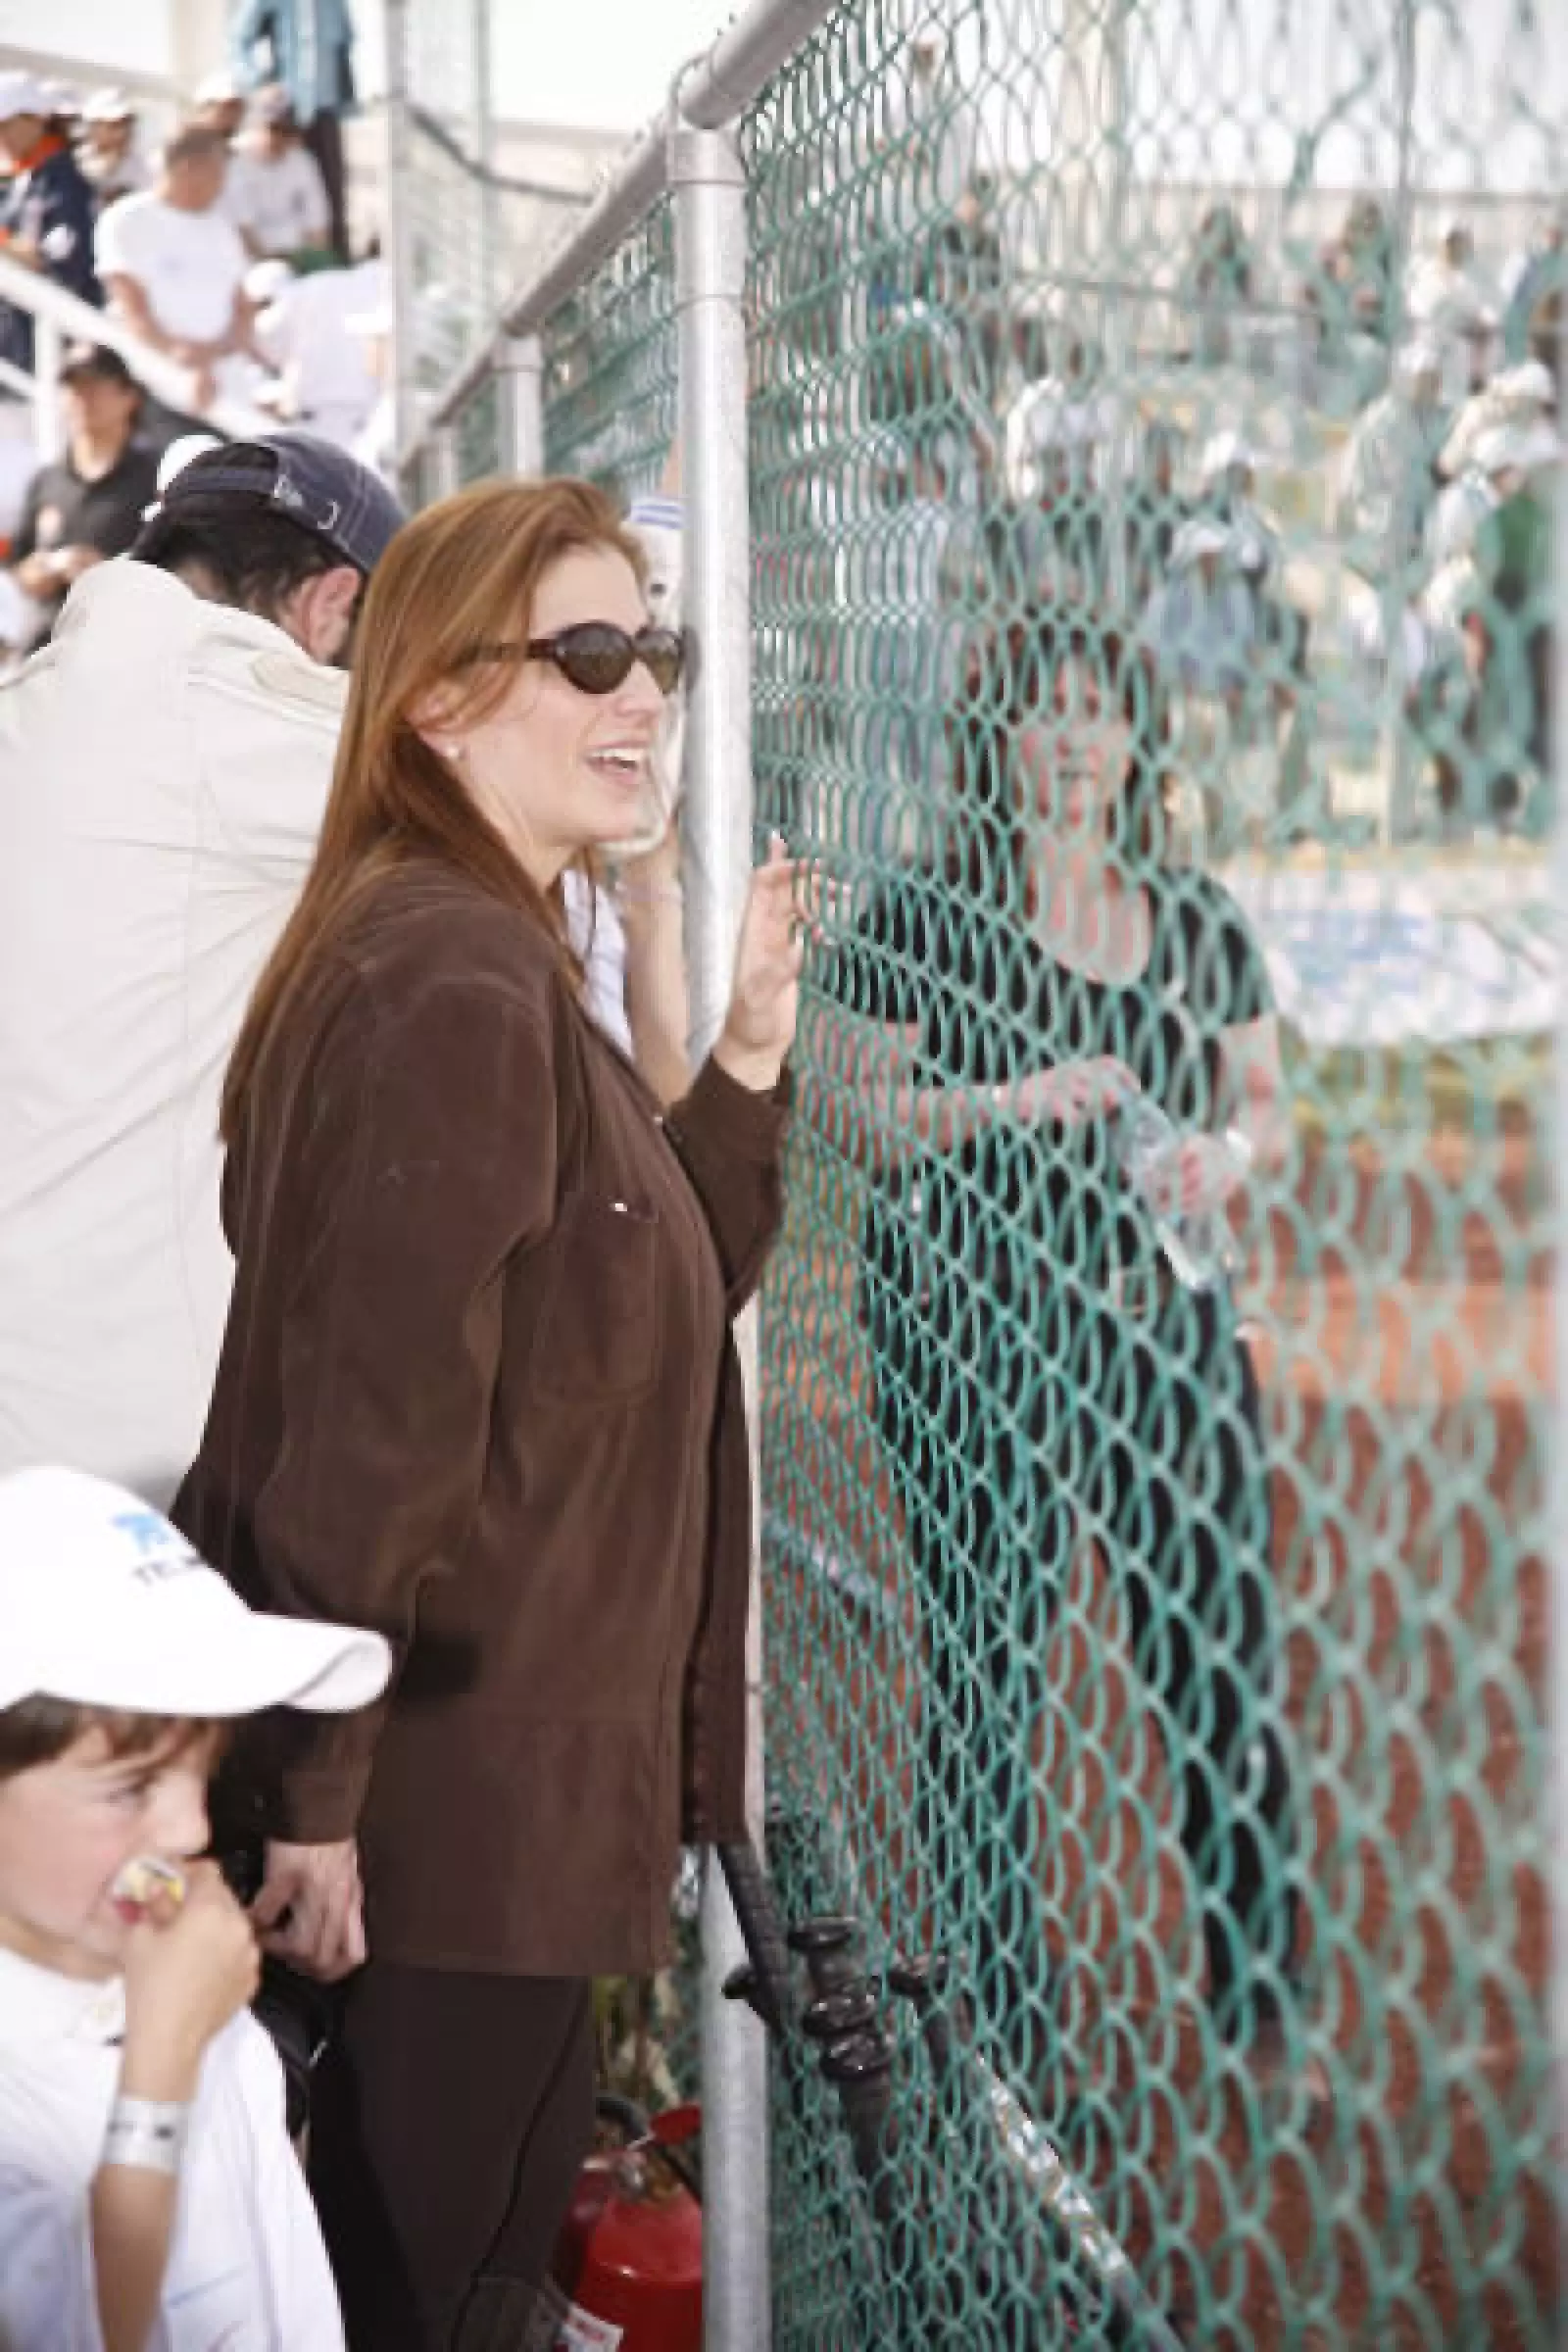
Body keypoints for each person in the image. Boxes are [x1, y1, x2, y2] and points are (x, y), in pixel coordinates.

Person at [172, 475, 801, 2350]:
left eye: (655, 653)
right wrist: (324, 1805)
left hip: (502, 1811)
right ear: (436, 696)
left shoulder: (479, 944)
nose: (642, 699)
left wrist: (746, 1068)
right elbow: (372, 1438)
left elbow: (627, 1312)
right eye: (587, 654)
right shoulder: (449, 967)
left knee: (470, 2281)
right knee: (414, 2290)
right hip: (440, 1822)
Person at [827, 615, 1315, 2124]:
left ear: (1133, 737)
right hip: (972, 1328)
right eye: (1040, 711)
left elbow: (1269, 1105)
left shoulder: (1191, 910)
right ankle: (1002, 2019)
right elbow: (849, 1113)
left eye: (1097, 710)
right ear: (997, 737)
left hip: (1159, 1322)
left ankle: (1258, 1988)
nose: (1070, 738)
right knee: (989, 1668)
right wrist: (1017, 1098)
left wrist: (1225, 1160)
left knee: (1214, 1640)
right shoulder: (932, 906)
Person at [0, 434, 405, 1507]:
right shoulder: (224, 705)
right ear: (328, 608)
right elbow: (501, 795)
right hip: (129, 1435)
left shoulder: (39, 702)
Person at [0, 1460, 392, 2352]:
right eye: (129, 1789)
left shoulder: (177, 1990)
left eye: (202, 1770)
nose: (186, 1827)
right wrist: (160, 2069)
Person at [96, 123, 262, 416]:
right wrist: (182, 358)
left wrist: (216, 355)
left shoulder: (222, 225)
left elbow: (242, 304)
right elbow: (132, 307)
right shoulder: (126, 220)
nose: (223, 184)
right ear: (188, 168)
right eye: (218, 173)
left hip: (226, 386)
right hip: (155, 385)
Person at [4, 342, 160, 651]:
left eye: (96, 387)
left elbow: (176, 567)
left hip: (127, 646)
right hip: (50, 645)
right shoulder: (47, 480)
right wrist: (34, 573)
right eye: (74, 388)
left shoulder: (153, 479)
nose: (83, 398)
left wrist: (105, 573)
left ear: (130, 397)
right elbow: (17, 566)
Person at [232, 0, 359, 265]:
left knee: (330, 190)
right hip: (288, 106)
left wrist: (347, 102)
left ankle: (331, 264)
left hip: (325, 111)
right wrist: (258, 83)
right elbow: (239, 39)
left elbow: (343, 52)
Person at [0, 71, 102, 371]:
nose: (1, 135)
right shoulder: (23, 179)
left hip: (51, 358)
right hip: (18, 352)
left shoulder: (65, 181)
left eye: (6, 124)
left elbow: (54, 263)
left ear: (36, 119)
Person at [1336, 338, 1449, 575]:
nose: (1433, 385)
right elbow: (1401, 478)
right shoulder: (1385, 420)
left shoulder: (1432, 415)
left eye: (1434, 377)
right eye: (1425, 378)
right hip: (1379, 512)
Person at [224, 84, 332, 268]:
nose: (281, 138)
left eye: (287, 131)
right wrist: (271, 265)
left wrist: (312, 261)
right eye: (274, 129)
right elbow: (244, 230)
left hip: (298, 252)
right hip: (251, 257)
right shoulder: (234, 163)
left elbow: (317, 220)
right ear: (254, 125)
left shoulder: (302, 160)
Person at [1406, 217, 1496, 405]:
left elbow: (1488, 311)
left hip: (1461, 347)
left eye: (1459, 242)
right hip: (1427, 345)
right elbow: (1418, 309)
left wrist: (1482, 323)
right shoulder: (1424, 271)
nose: (1454, 247)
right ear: (1440, 243)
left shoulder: (1476, 276)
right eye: (1450, 242)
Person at [76, 87, 151, 216]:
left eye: (127, 123)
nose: (123, 132)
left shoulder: (143, 167)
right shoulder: (75, 163)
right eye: (114, 125)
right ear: (94, 126)